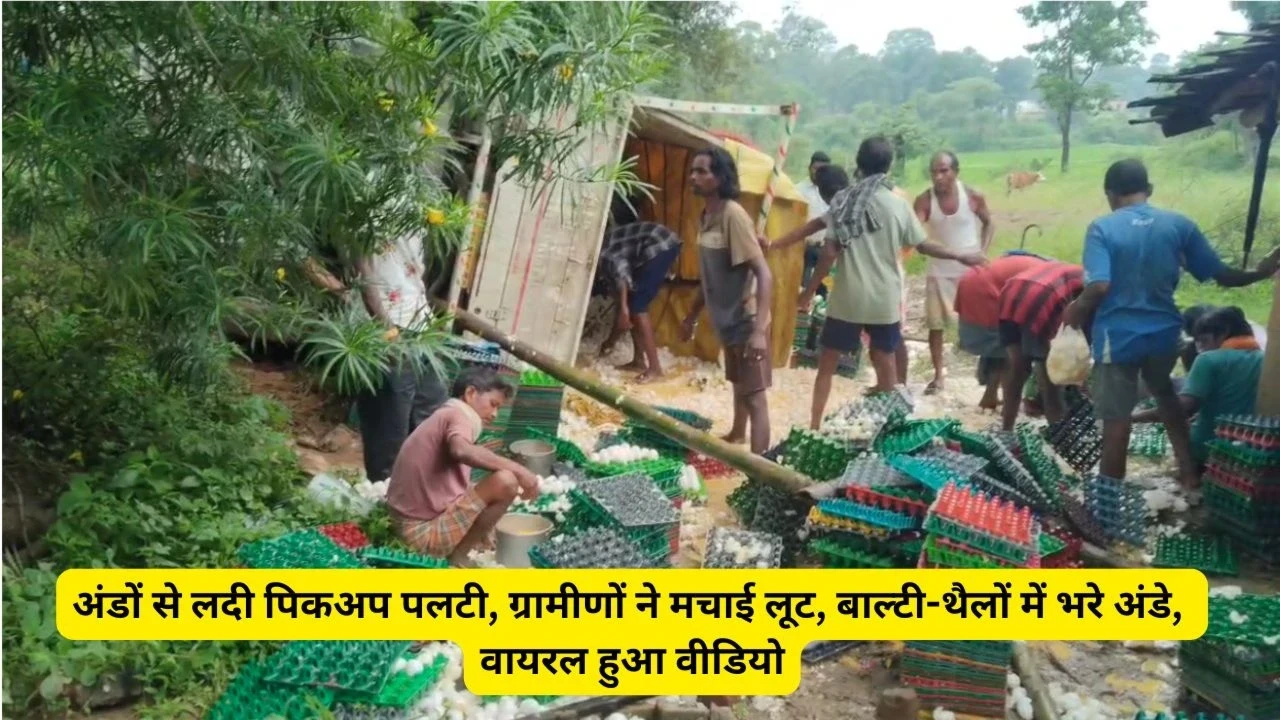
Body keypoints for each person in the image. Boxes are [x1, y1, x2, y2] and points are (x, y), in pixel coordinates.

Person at [1063, 158, 1280, 489]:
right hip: (1165, 334)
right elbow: (1222, 275)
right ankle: (1190, 474)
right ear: (1148, 190)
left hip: (1119, 337)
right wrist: (1262, 272)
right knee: (1165, 395)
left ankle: (1108, 501)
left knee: (1116, 418)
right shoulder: (1179, 224)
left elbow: (1099, 286)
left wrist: (1075, 311)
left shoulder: (1102, 228)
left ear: (1109, 193)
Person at [774, 137, 988, 429]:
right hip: (884, 300)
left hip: (848, 298)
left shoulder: (844, 201)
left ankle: (814, 425)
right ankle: (888, 431)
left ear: (858, 164)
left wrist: (804, 286)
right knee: (884, 362)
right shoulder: (898, 206)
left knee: (827, 365)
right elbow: (923, 245)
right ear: (888, 166)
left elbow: (826, 248)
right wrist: (961, 254)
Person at [303, 231, 447, 483]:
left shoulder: (421, 196)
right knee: (389, 432)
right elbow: (303, 255)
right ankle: (385, 505)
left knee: (430, 422)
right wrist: (384, 326)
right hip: (384, 329)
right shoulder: (364, 196)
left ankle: (424, 501)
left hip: (421, 325)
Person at [770, 163, 913, 389]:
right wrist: (774, 244)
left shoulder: (845, 208)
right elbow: (809, 227)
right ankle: (893, 387)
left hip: (877, 280)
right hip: (881, 280)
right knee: (886, 340)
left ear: (825, 194)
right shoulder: (854, 202)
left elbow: (828, 254)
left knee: (885, 344)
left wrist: (807, 293)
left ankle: (894, 388)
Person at [385, 367, 539, 567]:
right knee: (506, 482)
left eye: (498, 408)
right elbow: (461, 450)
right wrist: (520, 471)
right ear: (470, 393)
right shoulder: (458, 415)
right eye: (493, 404)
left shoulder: (444, 415)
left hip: (402, 525)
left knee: (483, 485)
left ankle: (473, 543)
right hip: (421, 534)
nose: (494, 414)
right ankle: (459, 557)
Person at [680, 147, 775, 454]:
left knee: (756, 396)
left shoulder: (733, 215)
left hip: (747, 320)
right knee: (737, 383)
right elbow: (709, 276)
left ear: (720, 178)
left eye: (702, 171)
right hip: (727, 320)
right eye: (693, 170)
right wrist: (691, 316)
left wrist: (759, 331)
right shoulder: (708, 215)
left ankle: (761, 469)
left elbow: (764, 273)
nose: (693, 176)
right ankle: (737, 434)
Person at [1132, 306, 1264, 471]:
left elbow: (1182, 409)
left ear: (1223, 333)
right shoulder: (1265, 359)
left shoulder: (1209, 360)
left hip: (1209, 448)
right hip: (1250, 447)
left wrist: (1133, 418)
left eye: (1203, 341)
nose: (1200, 348)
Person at [914, 151, 996, 395]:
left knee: (986, 323)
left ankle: (988, 377)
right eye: (934, 171)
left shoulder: (972, 195)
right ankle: (939, 375)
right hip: (939, 270)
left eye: (944, 171)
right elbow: (918, 241)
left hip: (971, 271)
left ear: (956, 172)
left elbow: (989, 222)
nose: (938, 177)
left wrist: (981, 251)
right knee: (936, 326)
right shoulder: (924, 201)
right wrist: (957, 255)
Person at [952, 253, 1050, 411]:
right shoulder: (1052, 280)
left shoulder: (1044, 267)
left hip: (973, 281)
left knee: (1000, 348)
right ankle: (1008, 403)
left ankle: (991, 396)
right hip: (984, 290)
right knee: (1011, 351)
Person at [997, 260, 1086, 431]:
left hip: (1011, 290)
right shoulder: (1096, 285)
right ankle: (1058, 434)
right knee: (1049, 374)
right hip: (1042, 296)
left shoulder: (1077, 272)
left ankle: (1006, 428)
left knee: (1017, 367)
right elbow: (1079, 334)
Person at [597, 220, 683, 382]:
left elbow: (622, 276)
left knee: (637, 307)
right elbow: (623, 294)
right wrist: (611, 340)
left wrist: (624, 309)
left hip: (659, 243)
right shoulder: (606, 252)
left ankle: (655, 369)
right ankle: (638, 361)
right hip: (658, 242)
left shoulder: (604, 255)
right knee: (632, 305)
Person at [797, 152, 832, 297]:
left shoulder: (832, 192)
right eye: (815, 168)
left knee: (824, 291)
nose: (818, 173)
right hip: (804, 248)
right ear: (809, 168)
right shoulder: (798, 190)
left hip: (825, 248)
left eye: (823, 169)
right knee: (802, 286)